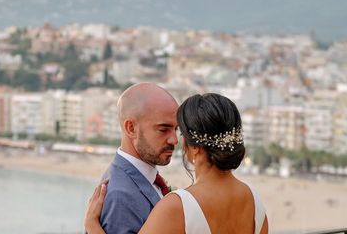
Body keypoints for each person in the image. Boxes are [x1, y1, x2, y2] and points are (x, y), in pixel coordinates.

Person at [86, 92, 269, 234]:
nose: (175, 140)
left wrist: (92, 226)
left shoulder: (177, 206)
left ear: (195, 147)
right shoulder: (254, 201)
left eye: (180, 133)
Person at [97, 83, 179, 233]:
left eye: (176, 129)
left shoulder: (146, 179)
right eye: (163, 130)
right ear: (131, 128)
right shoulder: (121, 196)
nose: (174, 140)